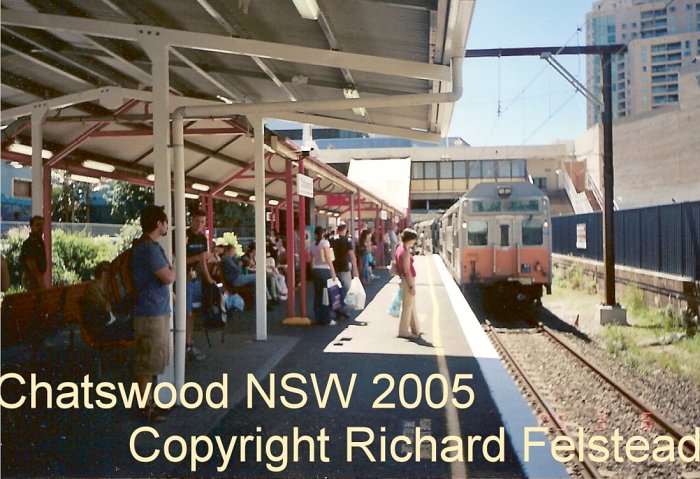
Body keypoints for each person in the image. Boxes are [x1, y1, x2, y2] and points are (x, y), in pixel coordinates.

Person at [131, 205, 175, 422]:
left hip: (152, 309)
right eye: (165, 221)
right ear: (158, 223)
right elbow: (167, 277)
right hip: (150, 312)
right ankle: (145, 408)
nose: (167, 225)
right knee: (147, 361)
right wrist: (173, 268)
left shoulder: (145, 246)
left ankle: (149, 403)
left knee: (151, 360)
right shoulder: (149, 249)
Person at [184, 209, 214, 361]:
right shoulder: (183, 236)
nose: (200, 225)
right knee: (186, 312)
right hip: (184, 278)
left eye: (202, 222)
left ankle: (188, 343)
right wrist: (198, 257)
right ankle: (181, 343)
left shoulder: (203, 239)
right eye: (197, 221)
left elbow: (203, 261)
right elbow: (177, 260)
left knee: (193, 313)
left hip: (196, 279)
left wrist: (208, 279)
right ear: (191, 220)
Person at [81, 261, 133, 341]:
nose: (112, 276)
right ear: (104, 273)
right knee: (135, 327)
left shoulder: (102, 288)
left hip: (109, 324)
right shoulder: (92, 290)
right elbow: (105, 308)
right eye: (110, 272)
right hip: (103, 329)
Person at [309, 226, 337, 326]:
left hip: (316, 270)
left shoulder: (312, 245)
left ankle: (318, 317)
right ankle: (326, 318)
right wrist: (333, 271)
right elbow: (328, 257)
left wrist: (312, 269)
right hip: (325, 271)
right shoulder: (325, 243)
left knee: (318, 295)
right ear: (323, 233)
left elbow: (311, 259)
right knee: (326, 295)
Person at [396, 228, 421, 340]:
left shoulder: (399, 248)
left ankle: (415, 329)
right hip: (407, 281)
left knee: (410, 306)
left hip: (404, 279)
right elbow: (407, 270)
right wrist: (411, 286)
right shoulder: (405, 252)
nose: (414, 242)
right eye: (413, 240)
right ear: (410, 239)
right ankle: (404, 331)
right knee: (407, 307)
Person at [331, 224, 358, 319]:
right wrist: (355, 269)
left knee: (335, 291)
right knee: (347, 290)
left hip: (333, 269)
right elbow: (352, 256)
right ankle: (344, 310)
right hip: (344, 268)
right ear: (345, 230)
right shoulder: (347, 241)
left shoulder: (331, 240)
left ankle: (337, 310)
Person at [19, 215, 47, 290]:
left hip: (37, 275)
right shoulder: (31, 242)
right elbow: (30, 261)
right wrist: (38, 277)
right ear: (31, 227)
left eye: (42, 225)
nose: (40, 228)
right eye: (37, 225)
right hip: (31, 276)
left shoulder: (39, 241)